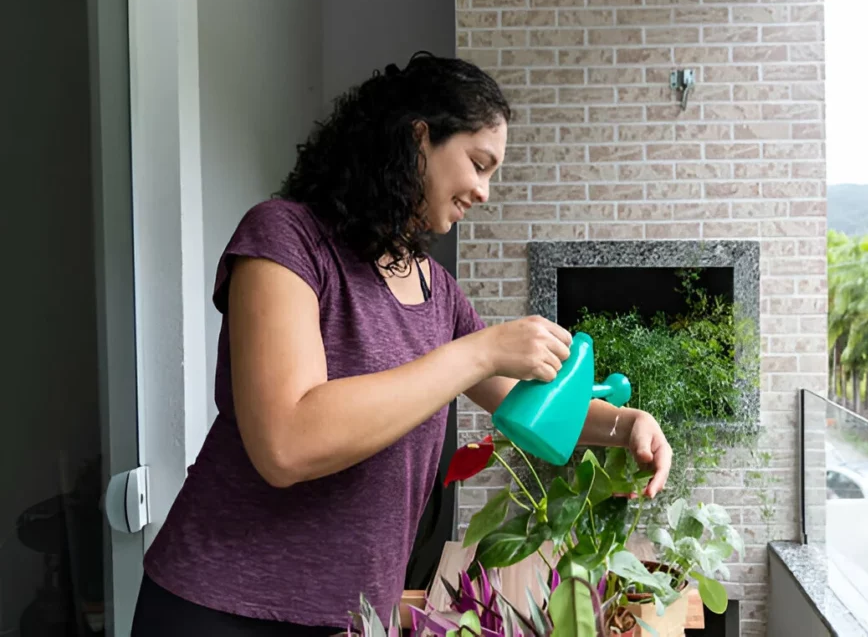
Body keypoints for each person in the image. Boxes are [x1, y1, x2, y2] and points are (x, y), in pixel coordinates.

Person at [130, 52, 672, 636]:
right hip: (221, 605)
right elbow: (285, 443)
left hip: (351, 618)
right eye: (479, 163)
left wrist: (625, 425)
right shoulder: (284, 238)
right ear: (419, 139)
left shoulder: (435, 290)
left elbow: (525, 401)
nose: (485, 192)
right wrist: (480, 351)